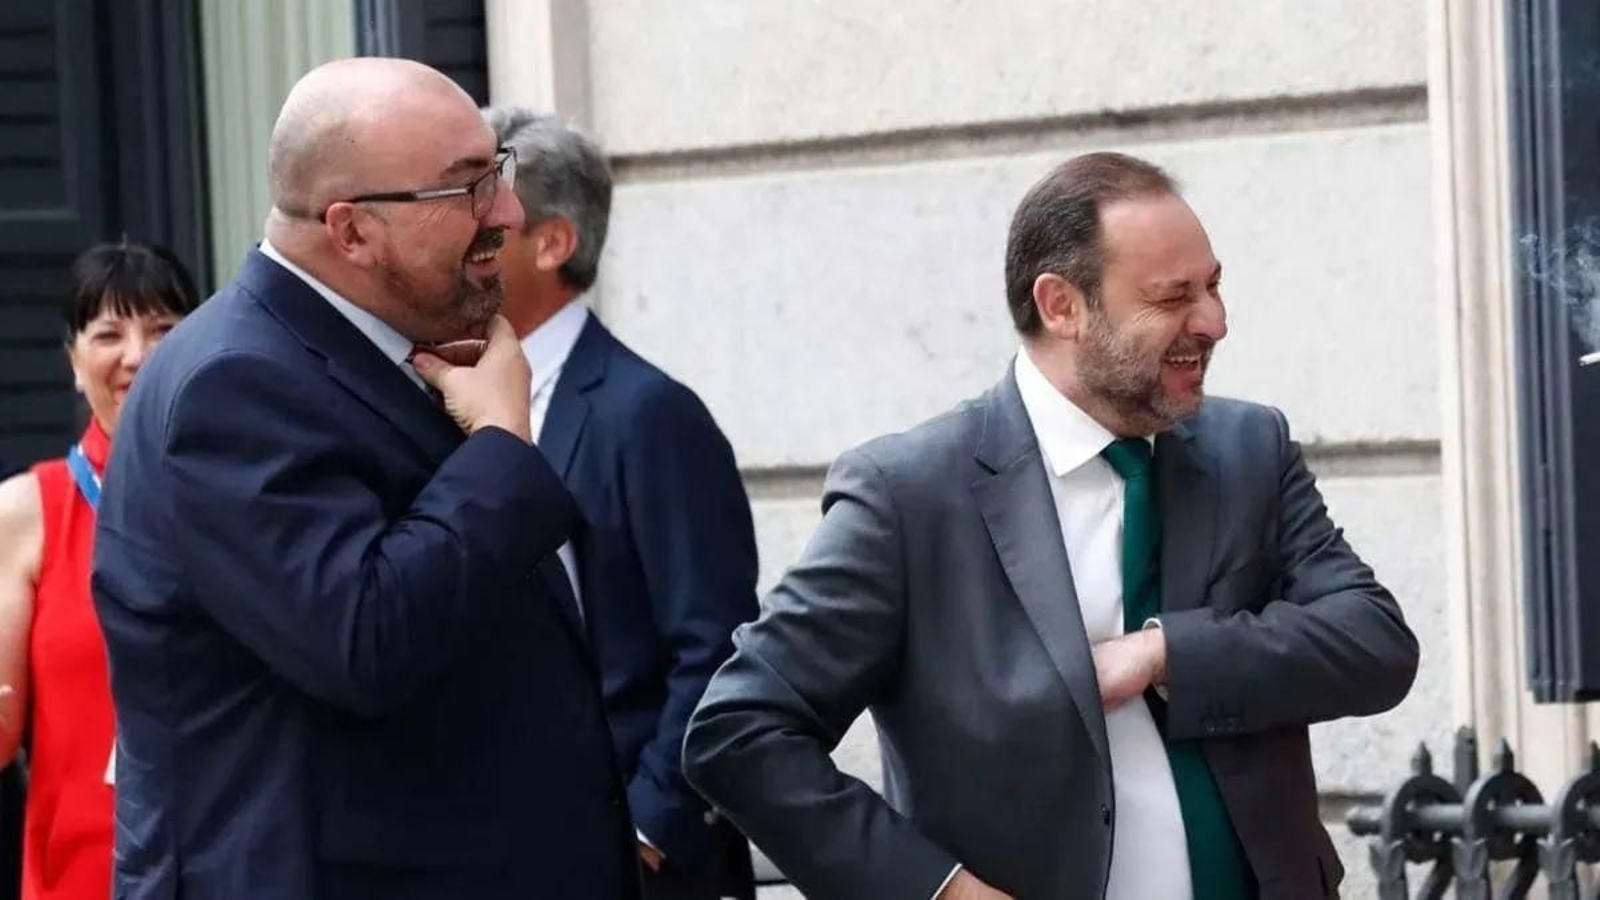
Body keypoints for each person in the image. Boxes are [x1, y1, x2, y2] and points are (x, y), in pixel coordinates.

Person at [683, 151, 1420, 900]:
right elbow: (739, 731)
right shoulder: (910, 495)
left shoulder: (1249, 450)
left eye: (1214, 285)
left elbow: (1375, 643)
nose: (1215, 322)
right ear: (1061, 305)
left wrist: (1166, 654)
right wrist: (940, 891)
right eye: (1172, 298)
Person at [90, 59, 637, 900]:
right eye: (466, 189)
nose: (509, 212)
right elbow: (364, 638)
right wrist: (499, 443)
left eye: (498, 171)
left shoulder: (371, 348)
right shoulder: (233, 384)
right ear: (350, 232)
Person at [483, 107, 759, 900]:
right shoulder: (446, 397)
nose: (466, 244)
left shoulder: (649, 415)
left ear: (554, 242)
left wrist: (649, 826)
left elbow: (715, 646)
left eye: (491, 223)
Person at [0, 241, 198, 900]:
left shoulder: (247, 495)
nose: (138, 356)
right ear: (73, 363)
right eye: (109, 334)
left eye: (164, 330)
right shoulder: (28, 510)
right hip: (83, 873)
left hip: (235, 861)